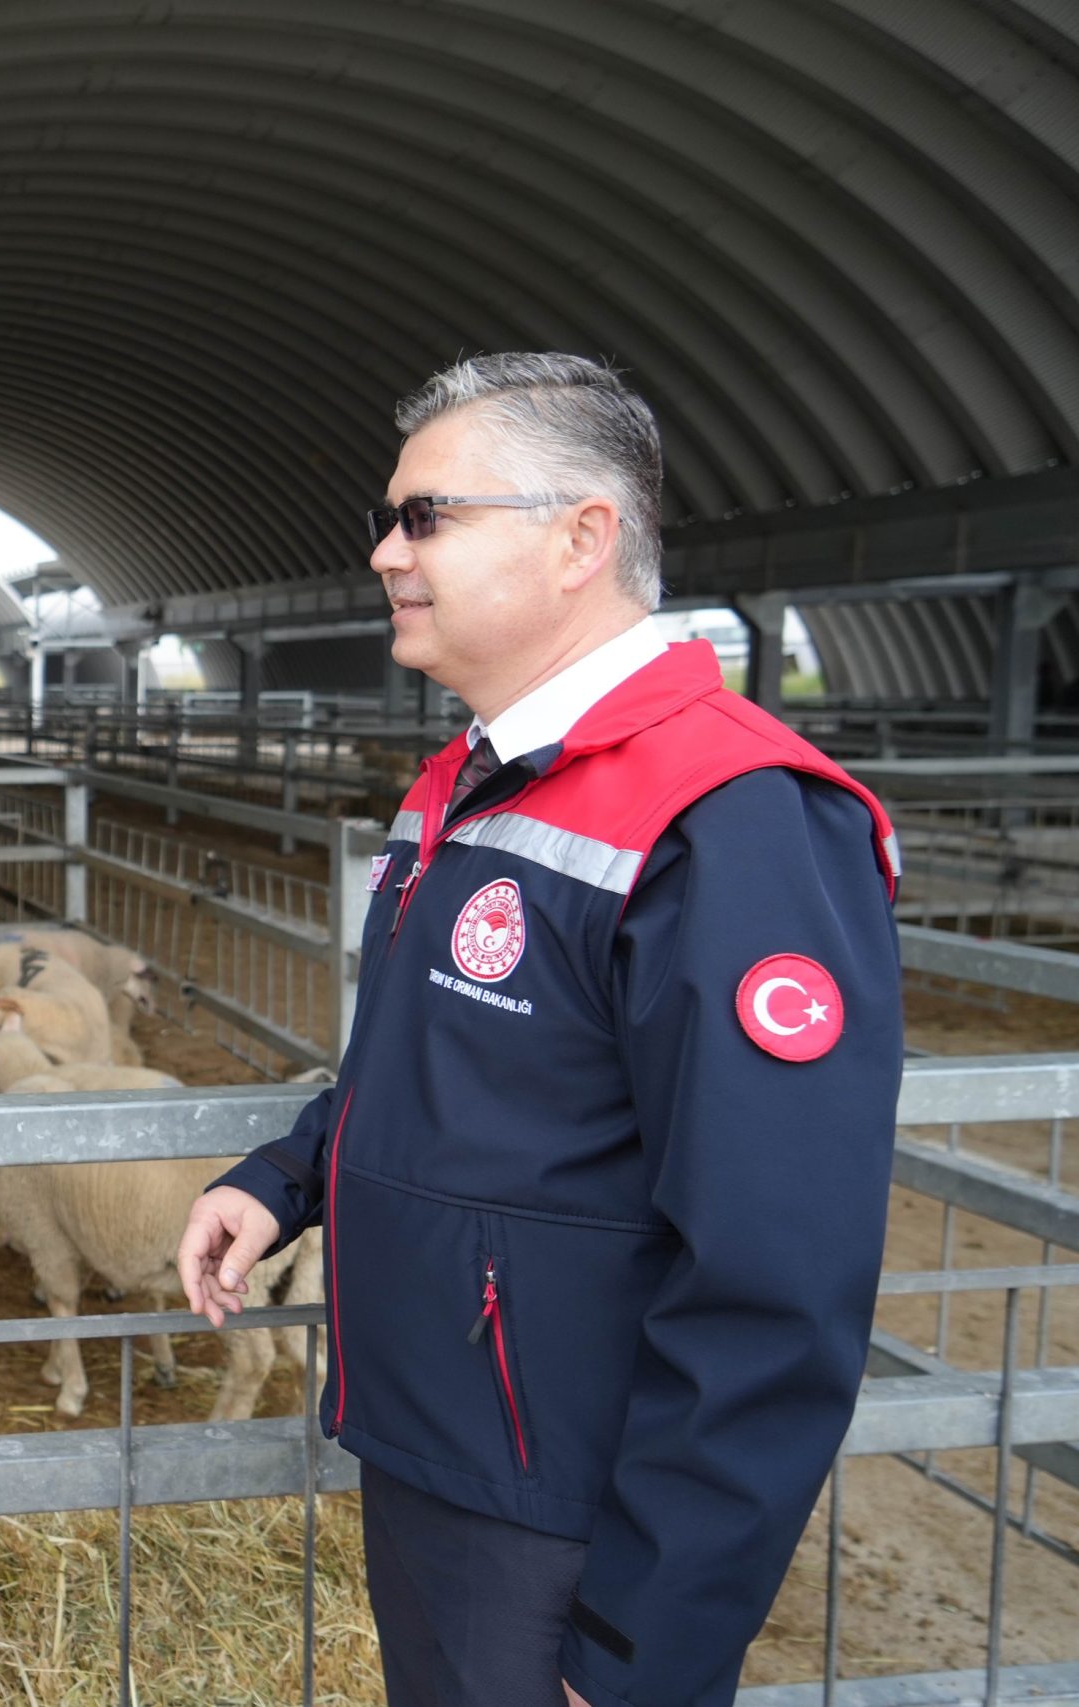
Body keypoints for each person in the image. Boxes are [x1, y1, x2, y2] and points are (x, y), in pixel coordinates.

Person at [176, 354, 902, 1707]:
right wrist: (285, 1180)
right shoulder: (468, 778)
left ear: (583, 538)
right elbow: (438, 1063)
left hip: (569, 1513)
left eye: (429, 516)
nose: (387, 551)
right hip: (439, 1440)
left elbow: (776, 1276)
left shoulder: (726, 817)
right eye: (391, 518)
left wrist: (641, 1638)